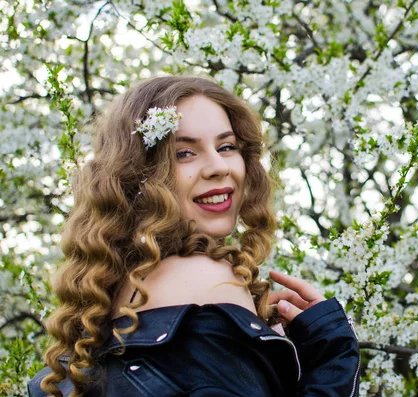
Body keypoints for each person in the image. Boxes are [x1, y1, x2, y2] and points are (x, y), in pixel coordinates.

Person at [27, 76, 360, 396]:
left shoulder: (117, 294)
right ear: (136, 174)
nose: (218, 166)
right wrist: (333, 356)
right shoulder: (206, 280)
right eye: (183, 153)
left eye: (227, 146)